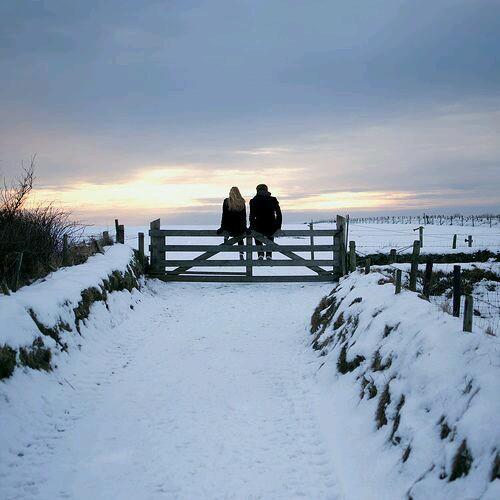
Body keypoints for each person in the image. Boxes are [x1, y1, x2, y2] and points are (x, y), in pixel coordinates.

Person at [249, 184, 282, 260]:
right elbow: (279, 214)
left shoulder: (254, 200)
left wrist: (252, 226)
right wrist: (278, 226)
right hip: (271, 225)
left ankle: (260, 253)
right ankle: (269, 254)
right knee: (270, 237)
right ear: (266, 190)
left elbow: (252, 215)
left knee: (257, 236)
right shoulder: (273, 199)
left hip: (258, 225)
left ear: (257, 190)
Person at [217, 186, 247, 260]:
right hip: (238, 226)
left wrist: (222, 227)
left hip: (228, 225)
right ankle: (241, 253)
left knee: (227, 230)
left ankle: (226, 237)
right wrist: (244, 227)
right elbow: (243, 216)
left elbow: (224, 215)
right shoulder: (242, 201)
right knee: (240, 237)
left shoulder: (226, 201)